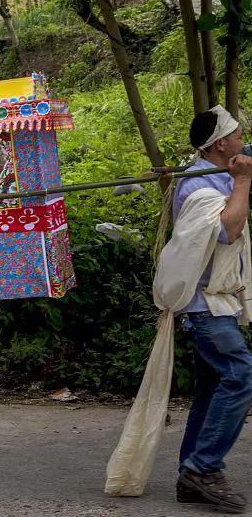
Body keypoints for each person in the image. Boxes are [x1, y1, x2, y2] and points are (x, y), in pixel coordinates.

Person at [105, 106, 252, 510]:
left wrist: (239, 173)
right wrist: (242, 182)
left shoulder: (211, 175)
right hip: (204, 306)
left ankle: (192, 476)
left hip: (214, 302)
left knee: (210, 390)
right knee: (239, 375)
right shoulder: (202, 189)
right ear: (221, 143)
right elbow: (229, 229)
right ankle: (202, 468)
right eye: (238, 135)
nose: (244, 140)